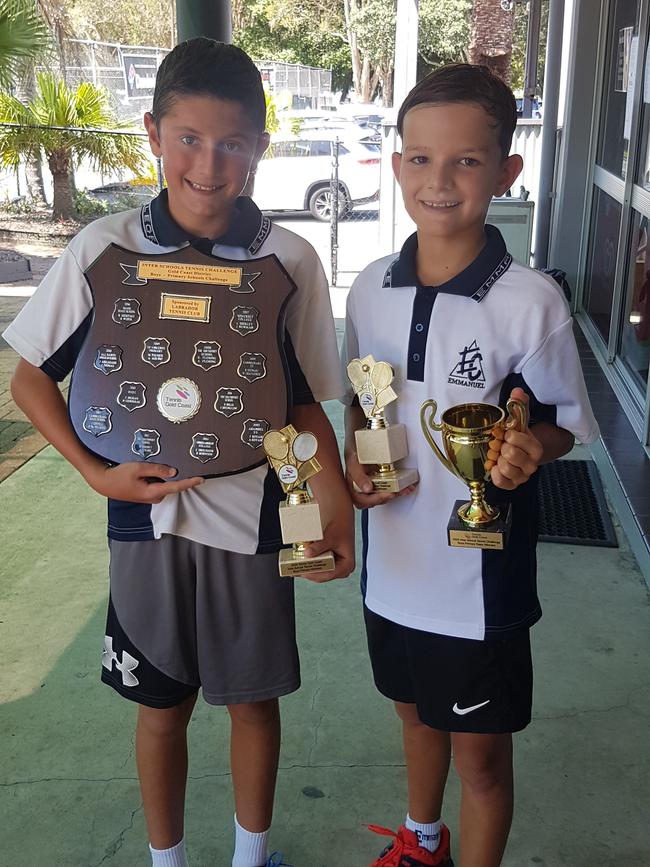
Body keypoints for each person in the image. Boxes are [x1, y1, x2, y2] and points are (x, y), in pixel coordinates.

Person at [5, 38, 354, 867]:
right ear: (153, 133)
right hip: (143, 513)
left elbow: (303, 403)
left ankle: (251, 853)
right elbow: (30, 380)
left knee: (252, 698)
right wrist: (95, 474)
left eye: (233, 141)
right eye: (189, 138)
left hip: (257, 512)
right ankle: (167, 858)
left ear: (260, 148)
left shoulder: (290, 261)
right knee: (159, 704)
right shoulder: (102, 248)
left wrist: (331, 502)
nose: (209, 162)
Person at [341, 64, 599, 867]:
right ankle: (422, 841)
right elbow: (362, 401)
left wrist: (529, 451)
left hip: (477, 581)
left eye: (465, 161)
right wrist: (357, 456)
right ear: (395, 165)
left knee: (481, 759)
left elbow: (560, 423)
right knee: (415, 715)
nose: (439, 180)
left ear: (506, 171)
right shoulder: (369, 291)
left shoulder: (531, 301)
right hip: (391, 566)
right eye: (419, 159)